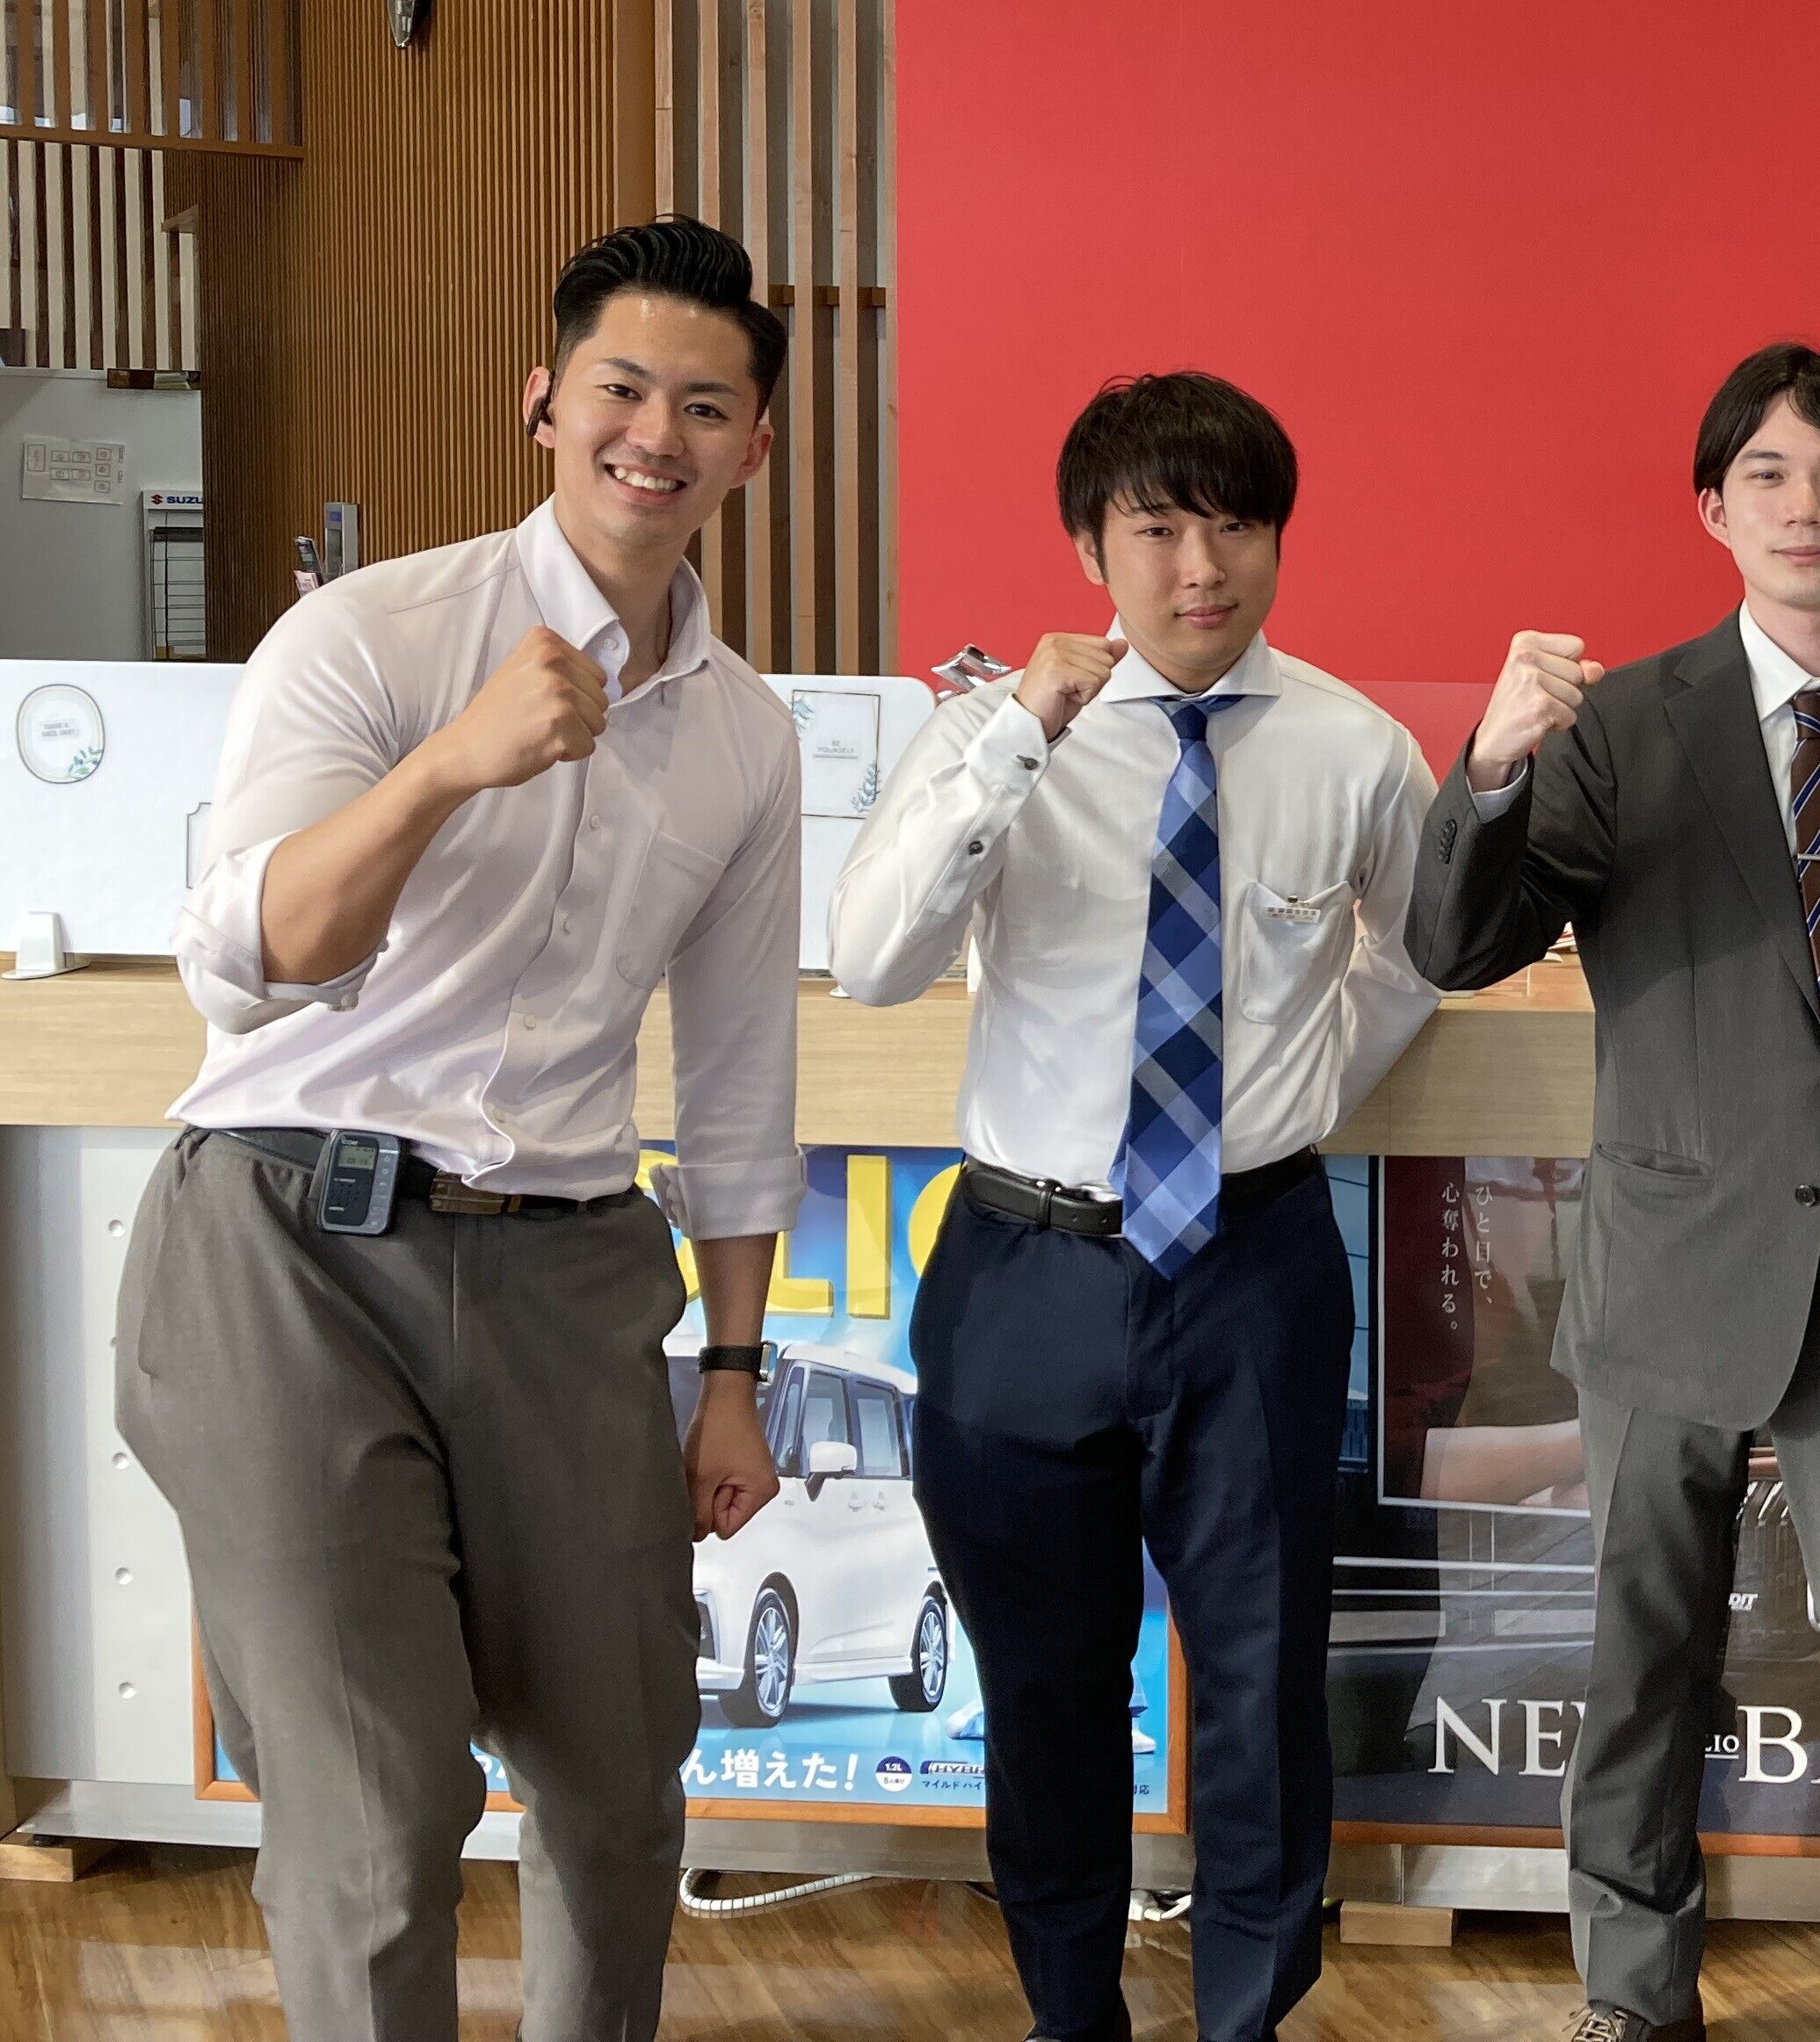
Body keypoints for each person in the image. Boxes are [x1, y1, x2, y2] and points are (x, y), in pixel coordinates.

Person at [126, 216, 799, 2042]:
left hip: (567, 1274)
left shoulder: (746, 736)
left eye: (705, 406)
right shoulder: (373, 636)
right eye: (620, 389)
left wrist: (734, 1371)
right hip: (287, 1252)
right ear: (543, 403)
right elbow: (247, 962)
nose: (655, 434)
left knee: (620, 1785)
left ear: (752, 449)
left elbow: (739, 1081)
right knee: (377, 1819)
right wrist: (448, 766)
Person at [1403, 342, 1820, 2042]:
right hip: (1672, 1260)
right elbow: (1456, 947)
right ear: (1713, 507)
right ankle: (1632, 1990)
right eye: (1767, 473)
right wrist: (1491, 766)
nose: (1804, 506)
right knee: (1642, 1654)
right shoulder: (1624, 725)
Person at [827, 372, 1440, 2042]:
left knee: (1258, 1678)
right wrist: (1018, 739)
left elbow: (1415, 957)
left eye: (1235, 525)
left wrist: (1298, 1092)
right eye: (1157, 528)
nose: (1200, 566)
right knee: (1044, 1683)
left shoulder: (1354, 749)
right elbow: (871, 960)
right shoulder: (990, 729)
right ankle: (1069, 2013)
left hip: (1254, 1263)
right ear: (1088, 546)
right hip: (1026, 1266)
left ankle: (1246, 2014)